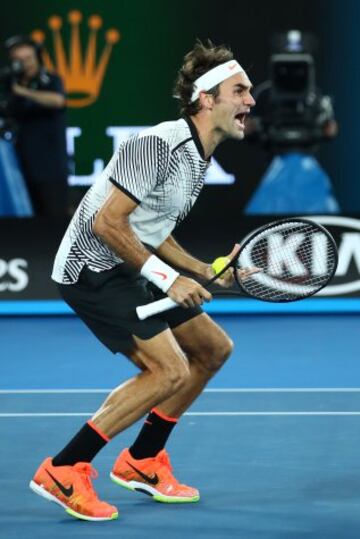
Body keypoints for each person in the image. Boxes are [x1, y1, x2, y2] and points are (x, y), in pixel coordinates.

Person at [29, 40, 256, 521]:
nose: (250, 102)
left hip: (129, 263)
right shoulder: (157, 145)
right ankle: (64, 468)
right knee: (168, 370)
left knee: (213, 349)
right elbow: (107, 225)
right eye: (241, 91)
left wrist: (201, 270)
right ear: (207, 99)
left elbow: (151, 227)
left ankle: (142, 460)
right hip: (91, 268)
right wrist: (169, 281)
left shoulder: (198, 157)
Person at [4, 35, 68, 216]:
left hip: (50, 168)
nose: (25, 64)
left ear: (37, 57)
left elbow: (58, 100)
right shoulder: (9, 84)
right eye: (18, 60)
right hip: (18, 167)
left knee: (54, 220)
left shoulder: (50, 80)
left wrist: (23, 92)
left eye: (28, 59)